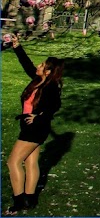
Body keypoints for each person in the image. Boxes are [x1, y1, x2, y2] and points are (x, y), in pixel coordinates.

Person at [4, 36, 63, 214]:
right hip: (29, 126)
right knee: (30, 162)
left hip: (35, 128)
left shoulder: (51, 87)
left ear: (48, 71)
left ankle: (18, 201)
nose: (38, 66)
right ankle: (30, 200)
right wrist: (17, 47)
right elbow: (27, 65)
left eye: (42, 65)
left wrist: (38, 117)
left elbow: (55, 106)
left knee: (12, 162)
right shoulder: (38, 80)